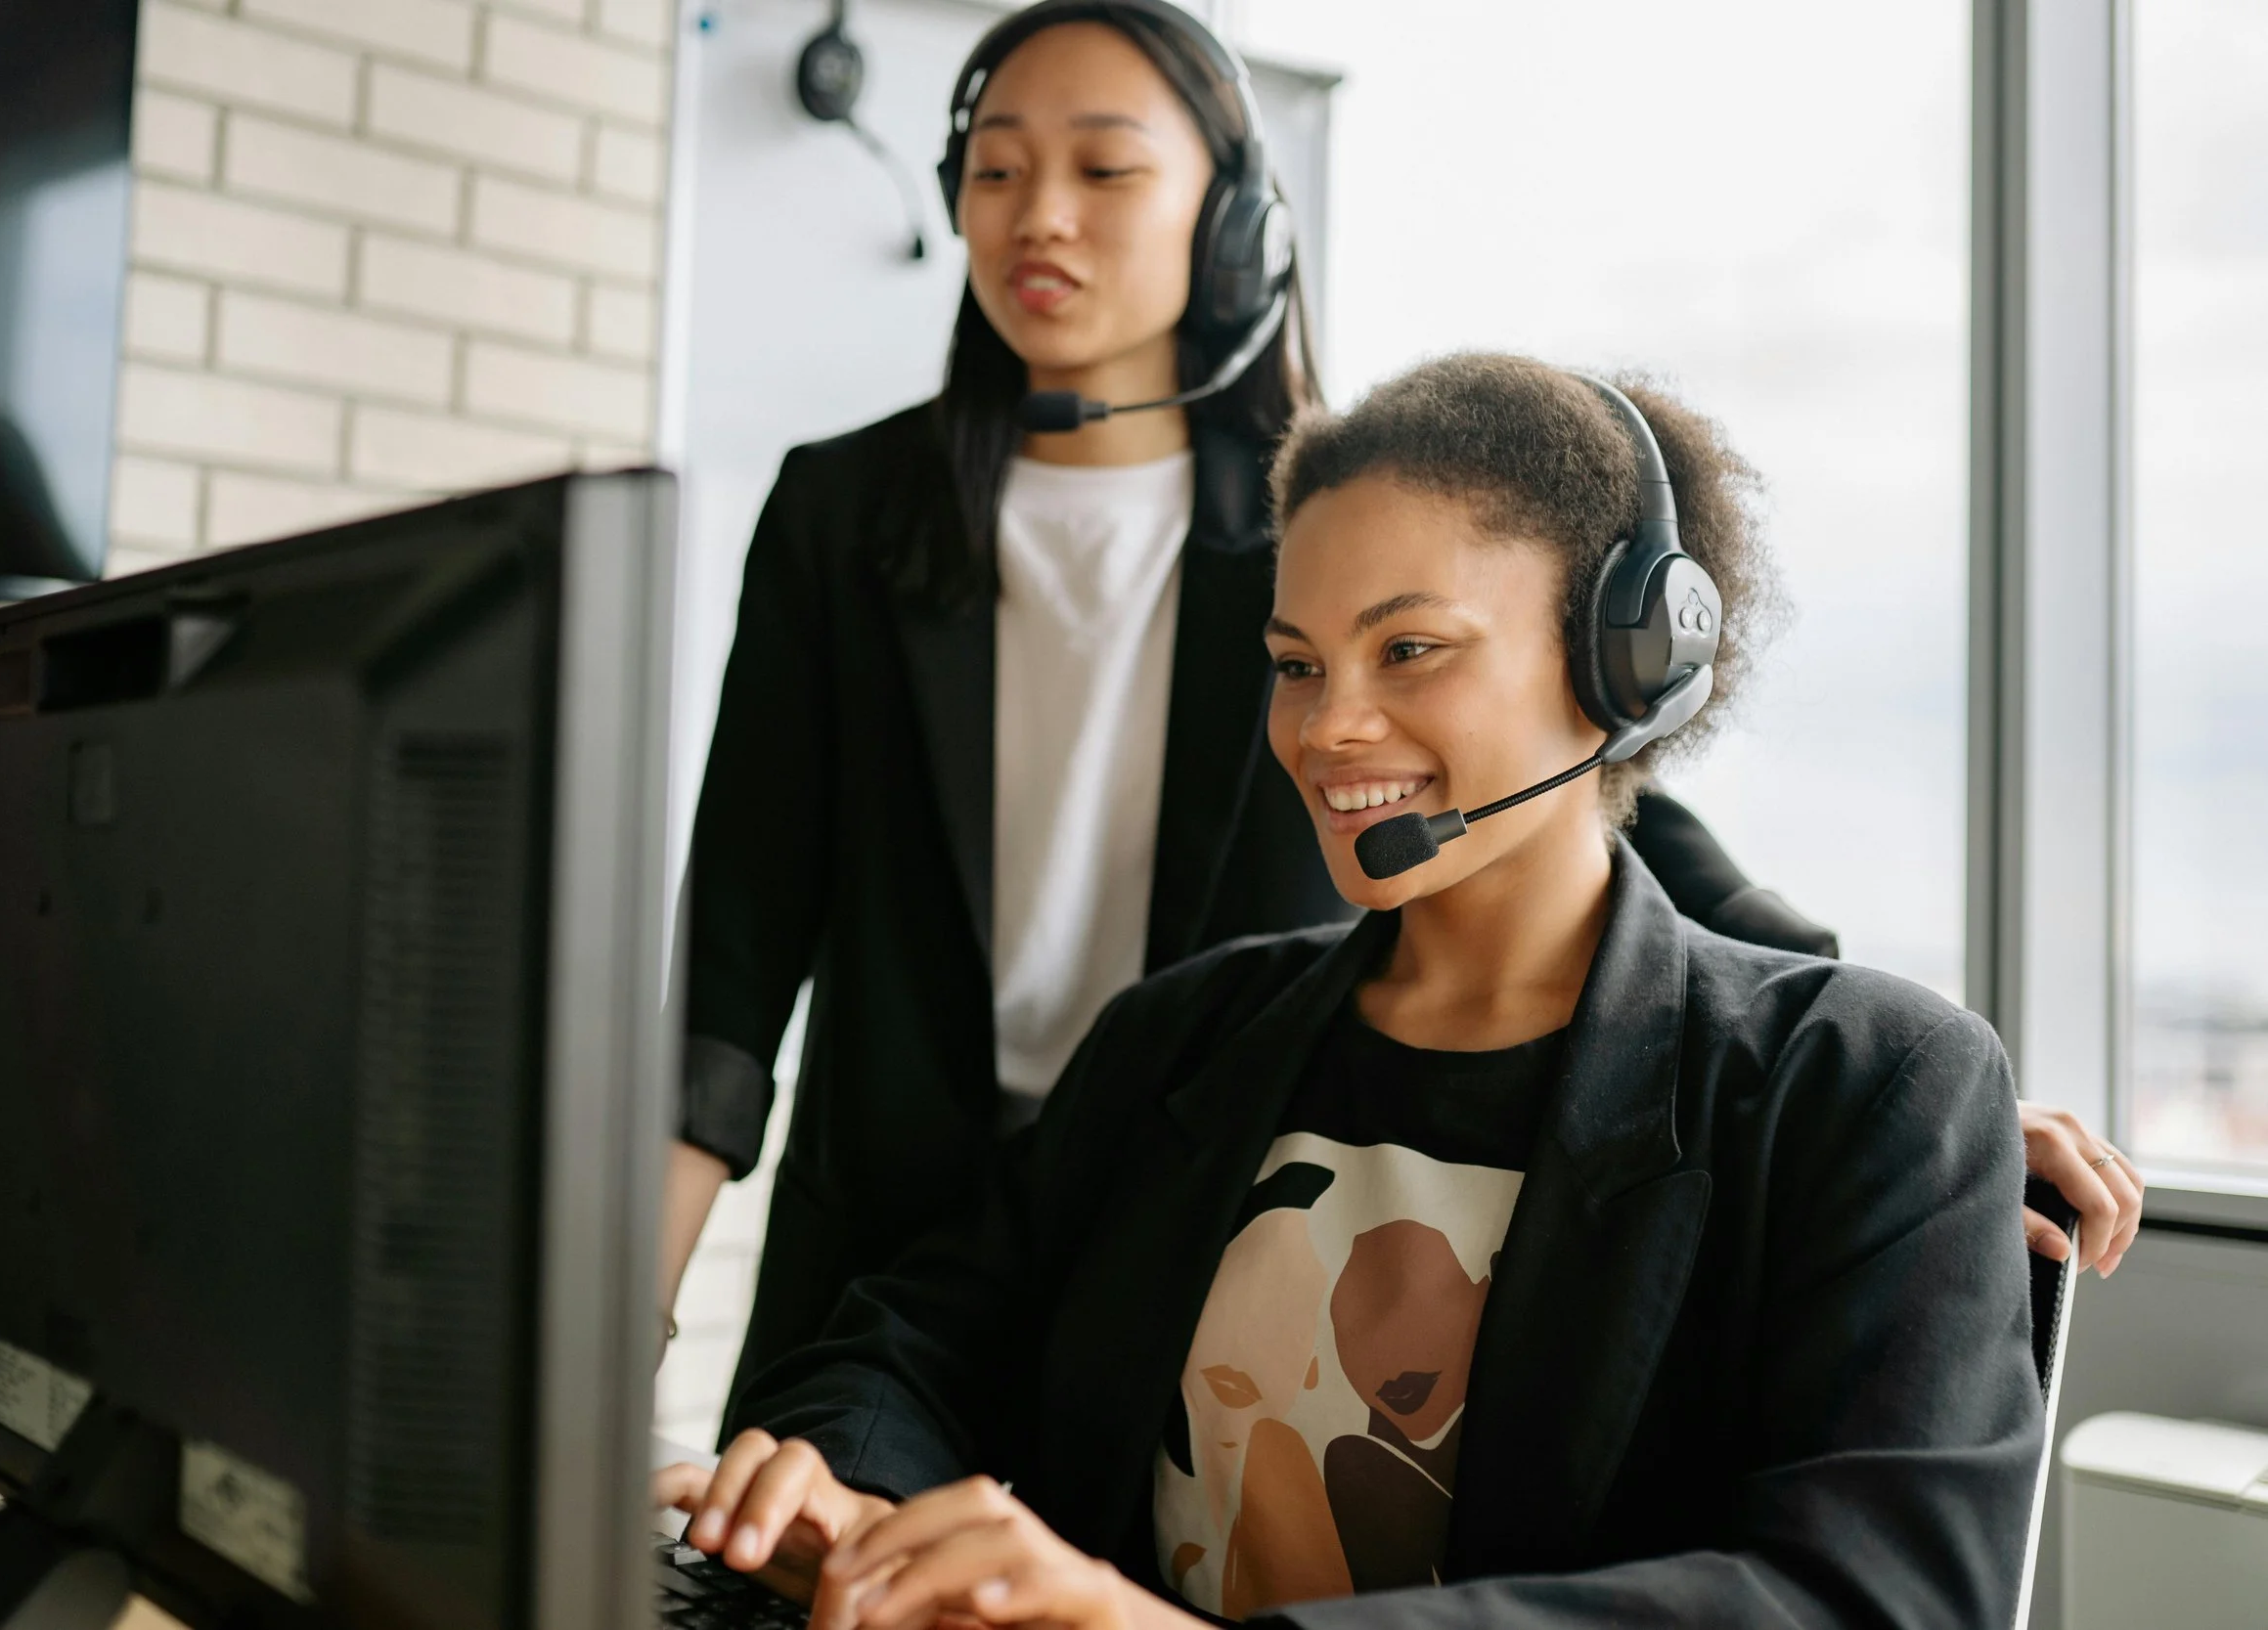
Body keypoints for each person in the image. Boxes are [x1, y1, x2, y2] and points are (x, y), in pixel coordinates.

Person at [666, 0, 2143, 1419]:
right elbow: (735, 949)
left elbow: (1587, 791)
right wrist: (631, 1303)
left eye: (1105, 167)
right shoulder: (843, 510)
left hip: (1195, 1208)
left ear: (1241, 221)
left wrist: (1873, 1110)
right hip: (897, 1250)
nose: (1038, 214)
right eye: (992, 170)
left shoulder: (1329, 520)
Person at [657, 355, 2046, 1627]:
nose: (1328, 727)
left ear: (1624, 665)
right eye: (1296, 664)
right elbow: (914, 1336)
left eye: (1410, 650)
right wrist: (839, 1485)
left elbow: (1876, 1597)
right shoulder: (1182, 1038)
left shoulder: (1866, 1085)